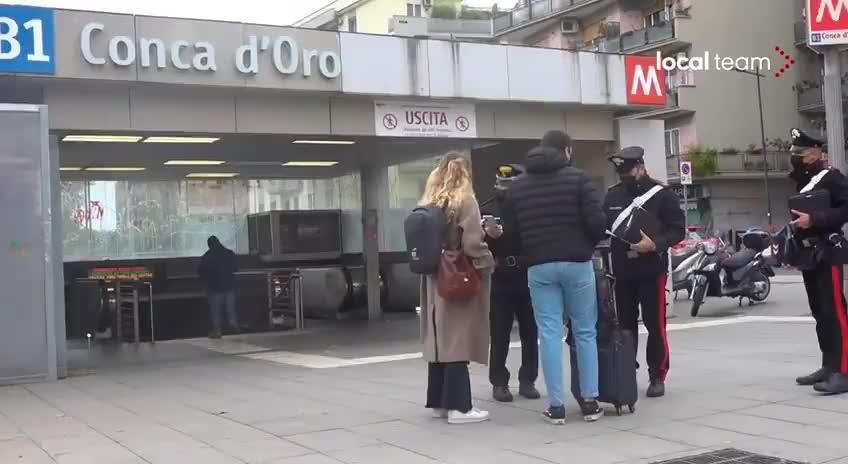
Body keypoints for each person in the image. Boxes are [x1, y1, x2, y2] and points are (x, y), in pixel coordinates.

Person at [502, 130, 607, 424]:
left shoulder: (518, 186)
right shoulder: (579, 179)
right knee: (585, 331)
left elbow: (510, 233)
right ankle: (589, 402)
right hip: (577, 264)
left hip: (539, 266)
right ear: (568, 151)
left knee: (548, 333)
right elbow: (598, 225)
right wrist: (584, 243)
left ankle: (557, 406)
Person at [419, 152, 496, 424]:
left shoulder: (429, 202)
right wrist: (488, 263)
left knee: (441, 338)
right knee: (458, 339)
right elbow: (473, 243)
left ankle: (439, 403)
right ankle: (459, 407)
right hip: (458, 276)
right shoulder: (465, 200)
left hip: (434, 277)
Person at [603, 146, 686, 398]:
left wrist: (656, 244)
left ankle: (657, 375)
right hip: (622, 271)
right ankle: (626, 373)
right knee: (625, 326)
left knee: (654, 325)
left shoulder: (663, 195)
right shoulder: (613, 196)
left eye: (629, 171)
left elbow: (677, 230)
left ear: (641, 167)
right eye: (621, 173)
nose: (625, 176)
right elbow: (603, 226)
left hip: (651, 269)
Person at [786, 128, 848, 394]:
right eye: (795, 153)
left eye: (802, 153)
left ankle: (844, 371)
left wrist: (816, 219)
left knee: (835, 311)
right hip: (809, 253)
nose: (798, 158)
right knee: (820, 312)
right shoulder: (804, 181)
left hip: (829, 250)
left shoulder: (833, 178)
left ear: (817, 152)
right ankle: (829, 364)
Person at [481, 164, 540, 403]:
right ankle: (499, 382)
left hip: (528, 274)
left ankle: (528, 380)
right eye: (501, 184)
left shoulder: (532, 210)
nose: (504, 189)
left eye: (509, 185)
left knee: (530, 331)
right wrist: (488, 236)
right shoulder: (486, 209)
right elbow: (475, 244)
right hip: (500, 277)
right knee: (499, 333)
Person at [198, 235, 239, 339]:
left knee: (215, 311)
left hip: (214, 288)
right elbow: (235, 268)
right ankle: (233, 325)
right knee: (230, 309)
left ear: (209, 245)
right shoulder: (229, 253)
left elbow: (201, 271)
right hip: (229, 286)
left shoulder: (207, 256)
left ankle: (217, 331)